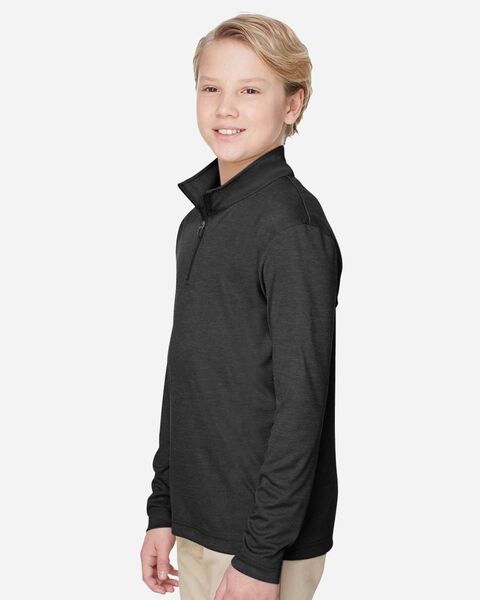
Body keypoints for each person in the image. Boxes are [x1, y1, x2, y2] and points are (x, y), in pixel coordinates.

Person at [140, 13, 343, 600]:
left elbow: (302, 406)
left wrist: (259, 556)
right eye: (211, 87)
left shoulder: (291, 230)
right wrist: (163, 507)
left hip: (260, 545)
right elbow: (185, 375)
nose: (225, 108)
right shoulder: (198, 223)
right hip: (200, 523)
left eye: (250, 90)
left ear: (292, 104)